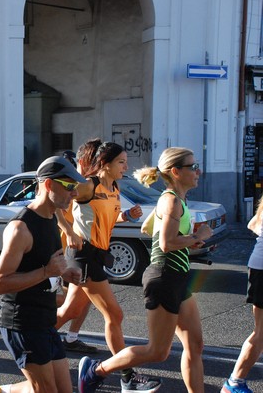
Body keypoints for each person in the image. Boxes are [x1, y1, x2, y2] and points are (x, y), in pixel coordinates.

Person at [77, 147, 213, 393]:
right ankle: (96, 371)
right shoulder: (171, 200)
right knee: (157, 352)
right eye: (192, 167)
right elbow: (167, 243)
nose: (198, 171)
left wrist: (183, 235)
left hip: (178, 276)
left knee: (195, 344)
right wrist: (196, 236)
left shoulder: (174, 199)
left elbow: (147, 230)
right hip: (164, 277)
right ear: (175, 171)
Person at [0, 155, 85, 393]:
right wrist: (46, 271)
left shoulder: (52, 216)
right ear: (49, 184)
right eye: (70, 186)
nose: (74, 193)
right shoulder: (20, 228)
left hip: (46, 320)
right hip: (23, 323)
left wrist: (64, 274)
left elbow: (46, 265)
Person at [56, 140, 162, 392]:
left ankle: (33, 340)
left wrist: (126, 215)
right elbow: (57, 205)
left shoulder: (114, 188)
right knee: (114, 315)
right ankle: (127, 376)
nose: (126, 167)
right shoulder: (87, 186)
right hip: (83, 256)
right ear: (104, 164)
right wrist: (69, 231)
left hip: (97, 255)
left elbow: (108, 216)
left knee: (69, 311)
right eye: (121, 162)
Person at [220, 194, 263, 393]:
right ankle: (234, 383)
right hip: (262, 270)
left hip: (258, 266)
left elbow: (253, 224)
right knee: (261, 333)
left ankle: (235, 382)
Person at [56, 149, 97, 354]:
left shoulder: (85, 186)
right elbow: (53, 208)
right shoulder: (66, 187)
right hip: (60, 251)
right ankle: (41, 333)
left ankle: (71, 338)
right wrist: (69, 231)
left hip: (76, 251)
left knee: (83, 298)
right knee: (65, 301)